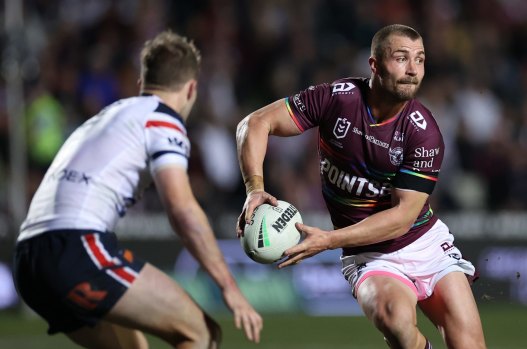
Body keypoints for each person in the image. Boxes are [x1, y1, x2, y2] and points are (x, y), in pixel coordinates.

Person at [236, 24, 486, 349]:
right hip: (369, 253)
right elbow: (255, 123)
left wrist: (328, 240)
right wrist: (254, 187)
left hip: (423, 242)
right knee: (394, 319)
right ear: (375, 65)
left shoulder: (423, 133)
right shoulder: (337, 100)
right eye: (401, 58)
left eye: (420, 60)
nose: (413, 69)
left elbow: (403, 217)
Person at [13, 30, 262, 349]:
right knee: (200, 334)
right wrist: (229, 286)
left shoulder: (108, 115)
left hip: (28, 257)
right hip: (75, 247)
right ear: (191, 89)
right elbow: (182, 209)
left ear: (142, 84)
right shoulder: (163, 121)